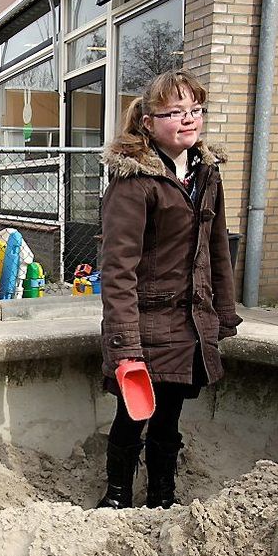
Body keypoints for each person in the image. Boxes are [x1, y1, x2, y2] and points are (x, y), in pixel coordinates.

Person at [97, 69, 242, 510]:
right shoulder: (134, 183)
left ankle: (163, 496)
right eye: (175, 112)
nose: (188, 120)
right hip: (144, 322)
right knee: (132, 414)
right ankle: (117, 498)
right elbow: (118, 268)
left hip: (189, 324)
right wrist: (125, 344)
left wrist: (223, 315)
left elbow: (218, 249)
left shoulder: (207, 173)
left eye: (195, 110)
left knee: (170, 416)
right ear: (148, 121)